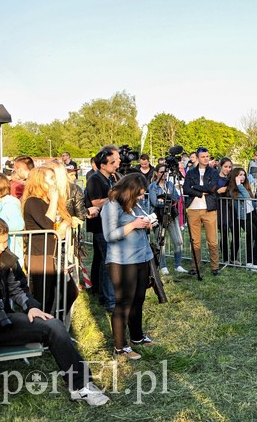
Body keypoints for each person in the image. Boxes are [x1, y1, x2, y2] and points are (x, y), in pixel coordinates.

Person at [0, 217, 109, 420]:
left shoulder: (6, 258)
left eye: (5, 241)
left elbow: (18, 289)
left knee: (53, 325)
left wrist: (31, 306)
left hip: (2, 320)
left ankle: (81, 386)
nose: (2, 247)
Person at [101, 174, 155, 360]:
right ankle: (120, 346)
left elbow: (138, 222)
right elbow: (109, 235)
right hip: (121, 261)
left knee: (138, 300)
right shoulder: (111, 205)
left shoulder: (133, 205)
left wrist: (146, 224)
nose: (141, 197)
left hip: (141, 257)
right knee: (124, 303)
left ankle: (137, 337)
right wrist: (133, 225)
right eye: (139, 194)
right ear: (129, 190)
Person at [21, 167, 73, 315]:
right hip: (39, 254)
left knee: (68, 291)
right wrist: (54, 200)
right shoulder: (33, 201)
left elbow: (66, 217)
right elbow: (46, 223)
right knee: (43, 296)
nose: (54, 182)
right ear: (39, 181)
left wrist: (64, 223)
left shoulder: (47, 201)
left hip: (52, 253)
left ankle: (55, 321)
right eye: (50, 178)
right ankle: (40, 327)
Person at [84, 147, 119, 312]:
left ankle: (104, 294)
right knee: (109, 262)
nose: (115, 165)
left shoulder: (109, 178)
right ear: (103, 165)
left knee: (105, 261)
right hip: (100, 226)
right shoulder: (95, 179)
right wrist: (115, 197)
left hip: (108, 224)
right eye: (112, 162)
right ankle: (109, 300)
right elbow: (96, 202)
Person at [183, 147, 221, 276]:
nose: (206, 158)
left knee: (212, 240)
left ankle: (215, 267)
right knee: (195, 240)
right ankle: (195, 267)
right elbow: (186, 189)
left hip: (209, 208)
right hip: (193, 209)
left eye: (207, 156)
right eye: (203, 156)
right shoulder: (190, 172)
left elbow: (211, 188)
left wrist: (195, 187)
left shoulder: (214, 172)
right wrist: (200, 192)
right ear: (198, 158)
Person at [148, 165, 186, 275]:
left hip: (171, 214)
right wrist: (167, 199)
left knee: (178, 240)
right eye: (161, 172)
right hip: (158, 215)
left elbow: (177, 197)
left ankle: (178, 265)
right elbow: (155, 202)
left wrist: (164, 198)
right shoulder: (153, 186)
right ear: (156, 173)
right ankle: (163, 266)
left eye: (166, 172)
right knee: (161, 241)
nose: (164, 174)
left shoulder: (169, 184)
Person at [227, 167, 257, 269]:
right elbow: (246, 197)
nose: (242, 177)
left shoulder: (245, 186)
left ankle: (250, 262)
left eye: (243, 174)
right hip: (243, 218)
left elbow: (250, 199)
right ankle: (254, 263)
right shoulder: (233, 190)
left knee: (254, 237)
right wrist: (239, 185)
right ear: (235, 177)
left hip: (252, 214)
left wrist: (256, 205)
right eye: (239, 175)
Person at [215, 158, 235, 265]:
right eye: (225, 167)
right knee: (224, 233)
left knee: (235, 233)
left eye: (230, 167)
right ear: (220, 166)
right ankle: (226, 258)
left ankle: (233, 257)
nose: (228, 169)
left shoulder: (232, 178)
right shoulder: (216, 178)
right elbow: (212, 193)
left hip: (231, 208)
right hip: (221, 209)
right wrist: (218, 191)